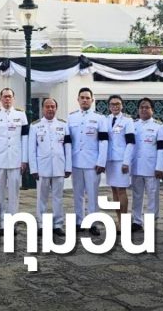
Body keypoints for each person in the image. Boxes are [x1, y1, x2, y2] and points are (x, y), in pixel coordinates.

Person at [67, 87, 109, 236]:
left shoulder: (100, 118)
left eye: (87, 98)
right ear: (78, 100)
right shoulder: (71, 117)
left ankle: (92, 222)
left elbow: (104, 141)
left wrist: (101, 162)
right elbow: (68, 142)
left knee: (92, 193)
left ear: (92, 100)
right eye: (82, 97)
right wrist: (67, 163)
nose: (85, 100)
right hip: (76, 161)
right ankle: (79, 221)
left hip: (93, 163)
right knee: (77, 193)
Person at [0, 88, 29, 234]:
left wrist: (24, 159)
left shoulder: (21, 114)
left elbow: (25, 138)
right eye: (4, 97)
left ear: (13, 98)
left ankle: (11, 223)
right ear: (0, 99)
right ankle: (0, 224)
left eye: (9, 97)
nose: (7, 99)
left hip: (15, 159)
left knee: (14, 193)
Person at [29, 98, 72, 235]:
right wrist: (34, 168)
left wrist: (68, 167)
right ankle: (41, 224)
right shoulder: (35, 126)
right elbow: (32, 149)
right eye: (47, 106)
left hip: (59, 166)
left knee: (58, 197)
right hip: (42, 167)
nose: (50, 109)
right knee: (41, 197)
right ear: (42, 108)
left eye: (53, 106)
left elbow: (68, 147)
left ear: (56, 108)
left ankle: (58, 224)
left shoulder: (63, 125)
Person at [130, 98, 163, 232]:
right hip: (136, 166)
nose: (144, 110)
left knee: (152, 194)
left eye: (147, 107)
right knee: (137, 194)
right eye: (141, 107)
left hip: (152, 167)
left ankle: (151, 220)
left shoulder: (159, 126)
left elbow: (162, 148)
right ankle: (136, 221)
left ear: (152, 109)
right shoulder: (133, 124)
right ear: (138, 109)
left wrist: (159, 167)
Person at [103, 95, 135, 231]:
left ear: (122, 105)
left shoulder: (127, 120)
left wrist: (126, 162)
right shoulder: (106, 120)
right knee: (114, 190)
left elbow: (131, 142)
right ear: (109, 106)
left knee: (121, 190)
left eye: (117, 104)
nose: (115, 106)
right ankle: (119, 220)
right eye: (112, 104)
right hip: (110, 160)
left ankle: (124, 221)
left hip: (121, 160)